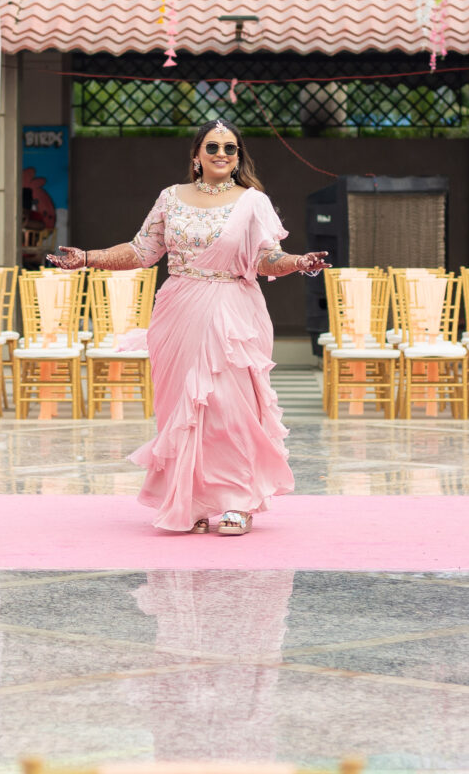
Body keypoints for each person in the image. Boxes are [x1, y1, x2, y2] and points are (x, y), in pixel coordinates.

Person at [49, 120, 327, 535]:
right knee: (182, 411)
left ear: (239, 157)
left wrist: (298, 263)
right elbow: (142, 251)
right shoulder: (171, 198)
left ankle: (238, 500)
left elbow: (266, 258)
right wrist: (89, 257)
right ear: (196, 155)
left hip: (232, 313)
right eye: (212, 147)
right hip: (177, 313)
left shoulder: (253, 202)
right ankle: (191, 501)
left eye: (230, 148)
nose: (221, 154)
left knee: (229, 408)